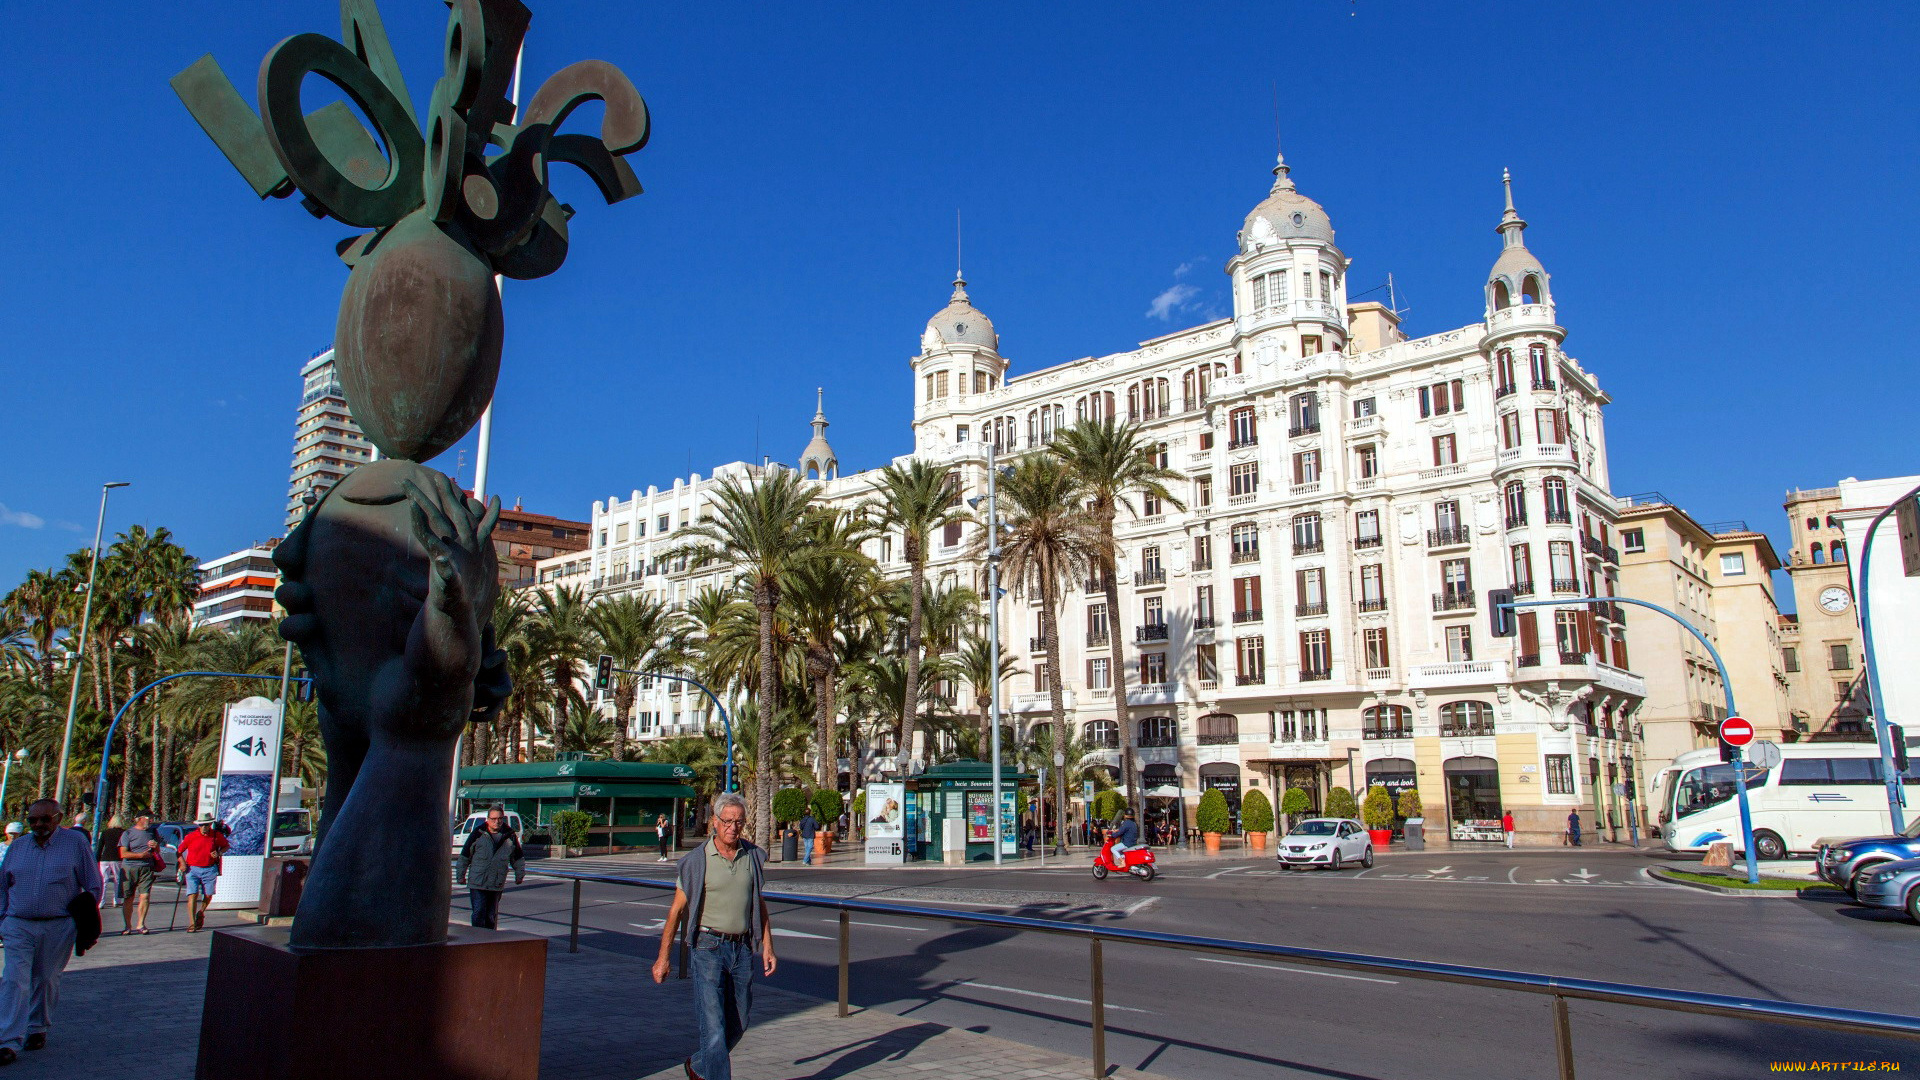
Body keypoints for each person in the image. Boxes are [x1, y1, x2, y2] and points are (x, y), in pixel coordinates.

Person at [653, 792, 775, 1080]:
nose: (733, 827)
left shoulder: (752, 856)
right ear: (714, 823)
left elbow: (758, 904)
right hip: (707, 947)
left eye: (739, 822)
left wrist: (767, 946)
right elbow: (675, 911)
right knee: (714, 1028)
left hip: (742, 950)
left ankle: (697, 1066)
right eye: (728, 821)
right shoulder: (696, 861)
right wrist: (663, 958)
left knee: (740, 1023)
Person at [0, 798, 103, 1063]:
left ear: (58, 818)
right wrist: (2, 918)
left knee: (46, 978)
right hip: (18, 923)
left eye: (45, 819)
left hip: (58, 923)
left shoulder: (75, 844)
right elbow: (3, 884)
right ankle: (8, 1041)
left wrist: (85, 920)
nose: (38, 825)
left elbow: (92, 884)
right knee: (14, 979)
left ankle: (37, 1027)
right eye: (33, 820)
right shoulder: (19, 847)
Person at [455, 806, 524, 930]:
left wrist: (519, 874)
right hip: (478, 881)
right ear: (488, 819)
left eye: (500, 819)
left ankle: (489, 941)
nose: (496, 822)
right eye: (493, 819)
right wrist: (460, 876)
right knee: (479, 912)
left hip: (496, 882)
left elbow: (518, 858)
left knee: (491, 916)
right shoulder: (478, 833)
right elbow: (465, 856)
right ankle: (476, 940)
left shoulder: (510, 835)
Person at [177, 817, 227, 932]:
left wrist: (219, 853)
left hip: (209, 869)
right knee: (192, 894)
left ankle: (201, 912)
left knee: (208, 894)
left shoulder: (215, 835)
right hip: (192, 869)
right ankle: (192, 923)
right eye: (202, 825)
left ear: (210, 824)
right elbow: (179, 851)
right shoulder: (191, 836)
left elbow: (226, 846)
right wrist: (182, 863)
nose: (204, 827)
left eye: (206, 825)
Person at [117, 813, 160, 934]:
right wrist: (140, 855)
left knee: (145, 896)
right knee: (128, 897)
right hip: (129, 868)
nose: (151, 820)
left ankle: (141, 924)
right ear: (139, 819)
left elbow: (158, 851)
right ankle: (127, 926)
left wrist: (156, 847)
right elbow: (123, 854)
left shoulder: (153, 832)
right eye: (148, 818)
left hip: (147, 868)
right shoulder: (128, 833)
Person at [96, 816, 124, 919]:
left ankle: (101, 902)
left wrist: (97, 859)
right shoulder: (123, 833)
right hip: (117, 858)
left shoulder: (105, 832)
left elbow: (100, 847)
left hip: (105, 858)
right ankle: (116, 900)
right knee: (117, 879)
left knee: (104, 880)